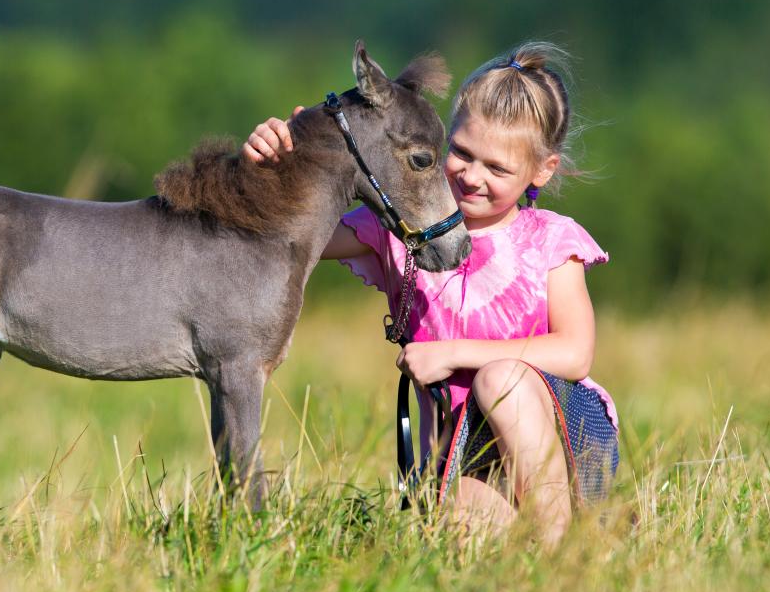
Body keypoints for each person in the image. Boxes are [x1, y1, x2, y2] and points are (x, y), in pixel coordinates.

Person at [242, 43, 618, 546]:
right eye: (461, 152)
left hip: (564, 441)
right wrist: (286, 165)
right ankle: (534, 562)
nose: (471, 175)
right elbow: (289, 233)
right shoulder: (402, 230)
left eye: (498, 168)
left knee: (499, 380)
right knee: (463, 530)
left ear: (542, 171)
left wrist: (455, 355)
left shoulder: (551, 238)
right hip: (462, 454)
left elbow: (575, 352)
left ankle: (564, 546)